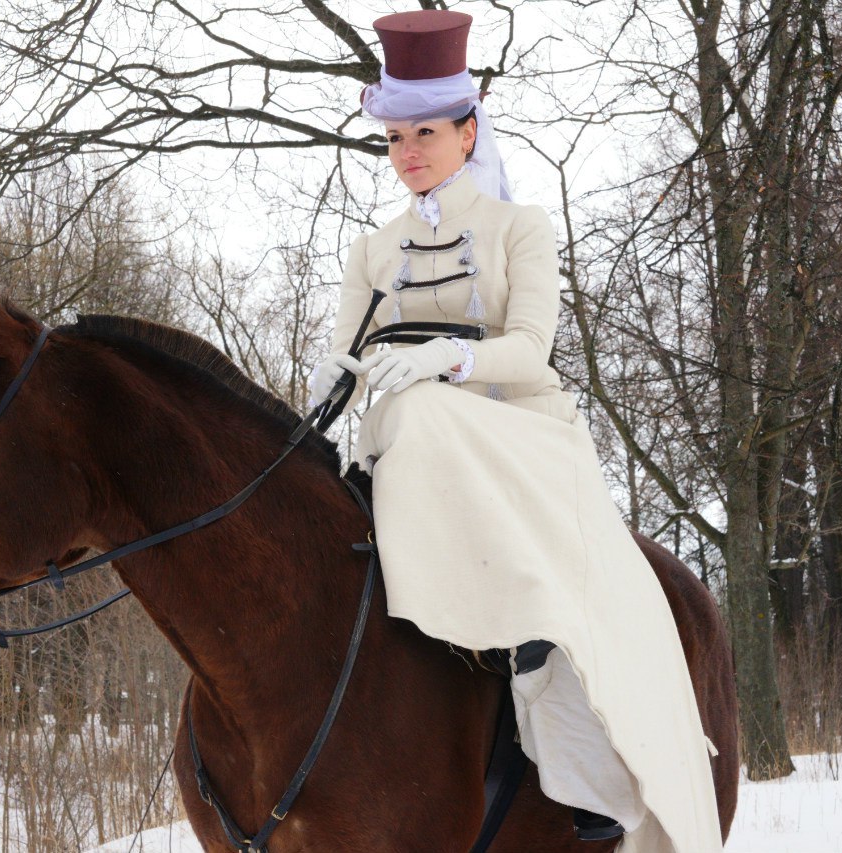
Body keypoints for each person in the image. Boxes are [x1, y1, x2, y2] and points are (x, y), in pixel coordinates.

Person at [308, 10, 724, 851]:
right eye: (394, 138)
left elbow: (532, 353)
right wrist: (329, 377)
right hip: (402, 440)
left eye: (426, 132)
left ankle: (566, 709)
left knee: (423, 413)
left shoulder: (518, 228)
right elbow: (346, 351)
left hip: (513, 431)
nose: (409, 152)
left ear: (468, 131)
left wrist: (440, 362)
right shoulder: (371, 249)